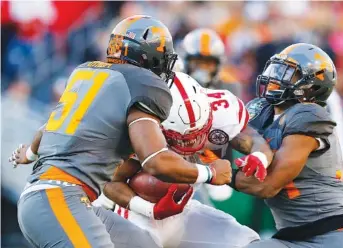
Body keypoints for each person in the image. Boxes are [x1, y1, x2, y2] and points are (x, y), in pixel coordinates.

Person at [9, 15, 232, 248]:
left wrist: (30, 154)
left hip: (59, 199)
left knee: (144, 244)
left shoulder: (85, 72)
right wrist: (210, 173)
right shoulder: (143, 83)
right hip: (59, 199)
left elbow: (48, 128)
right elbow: (155, 161)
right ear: (149, 56)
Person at [96, 71, 272, 248]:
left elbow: (254, 140)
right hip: (139, 216)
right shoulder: (143, 128)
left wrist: (259, 158)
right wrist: (150, 210)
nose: (192, 141)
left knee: (243, 241)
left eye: (199, 132)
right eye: (183, 137)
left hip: (185, 210)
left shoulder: (223, 112)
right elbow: (111, 183)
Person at [228, 43, 343, 248]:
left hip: (331, 234)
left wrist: (215, 173)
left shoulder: (309, 114)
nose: (275, 77)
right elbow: (235, 134)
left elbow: (268, 185)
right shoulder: (262, 110)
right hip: (290, 236)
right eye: (275, 69)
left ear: (311, 85)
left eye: (287, 73)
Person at [181, 28, 242, 98]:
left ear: (218, 65)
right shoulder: (175, 86)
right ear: (186, 62)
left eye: (208, 63)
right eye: (197, 62)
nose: (203, 67)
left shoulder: (229, 89)